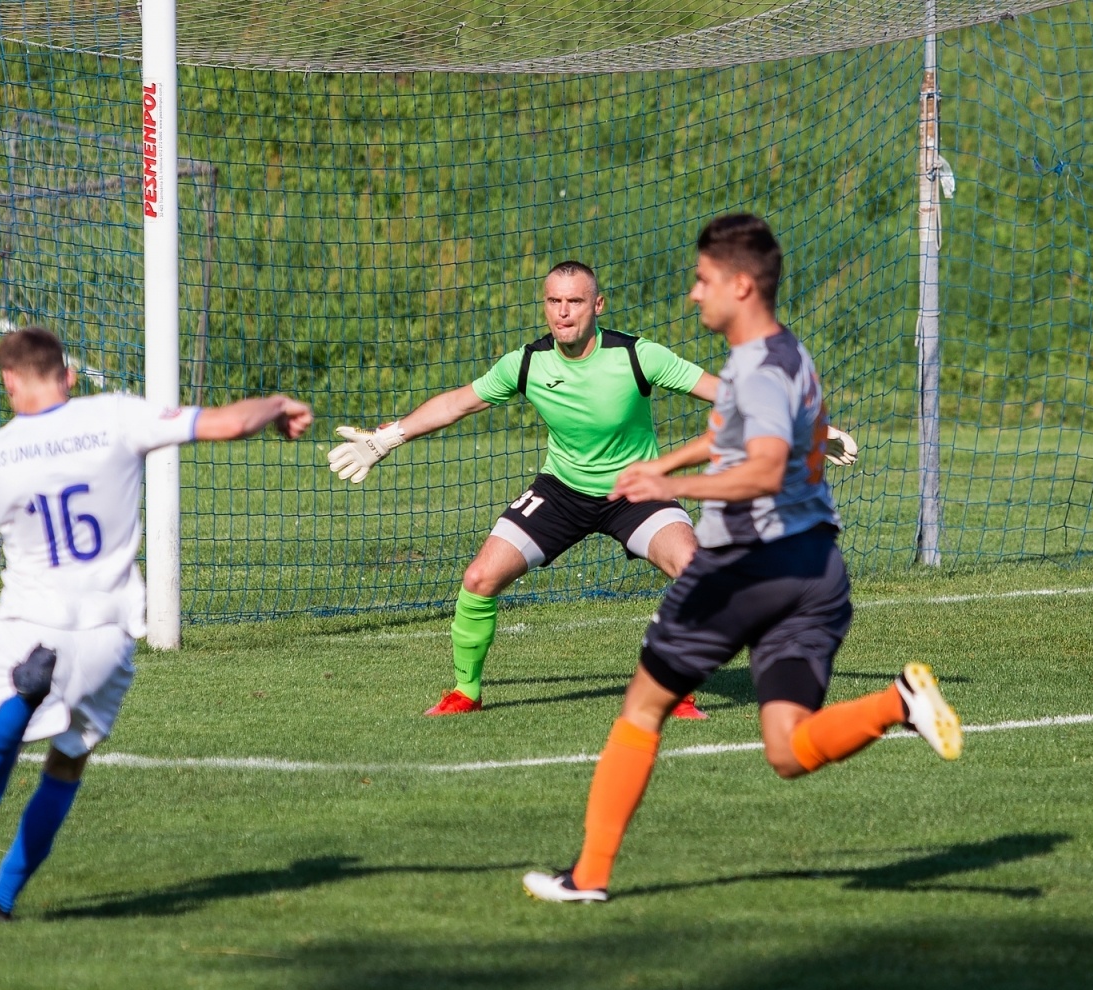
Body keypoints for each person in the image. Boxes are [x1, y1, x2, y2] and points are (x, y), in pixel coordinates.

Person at [522, 215, 961, 904]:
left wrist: (673, 485)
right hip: (818, 573)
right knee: (788, 748)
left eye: (704, 280)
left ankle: (590, 876)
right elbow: (727, 429)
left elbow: (759, 470)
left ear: (742, 285)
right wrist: (662, 463)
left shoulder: (756, 370)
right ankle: (898, 703)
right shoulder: (786, 353)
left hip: (748, 569)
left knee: (641, 707)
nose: (694, 294)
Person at [0, 326, 312, 920]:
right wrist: (276, 405)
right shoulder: (117, 416)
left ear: (9, 382)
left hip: (27, 631)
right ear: (67, 375)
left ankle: (23, 700)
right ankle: (1, 901)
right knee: (66, 764)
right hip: (107, 637)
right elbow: (225, 422)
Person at [327, 260, 857, 719]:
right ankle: (466, 692)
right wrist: (386, 439)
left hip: (636, 491)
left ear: (597, 305)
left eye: (574, 302)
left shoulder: (637, 356)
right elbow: (458, 402)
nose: (563, 312)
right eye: (554, 302)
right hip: (560, 491)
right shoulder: (528, 363)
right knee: (480, 577)